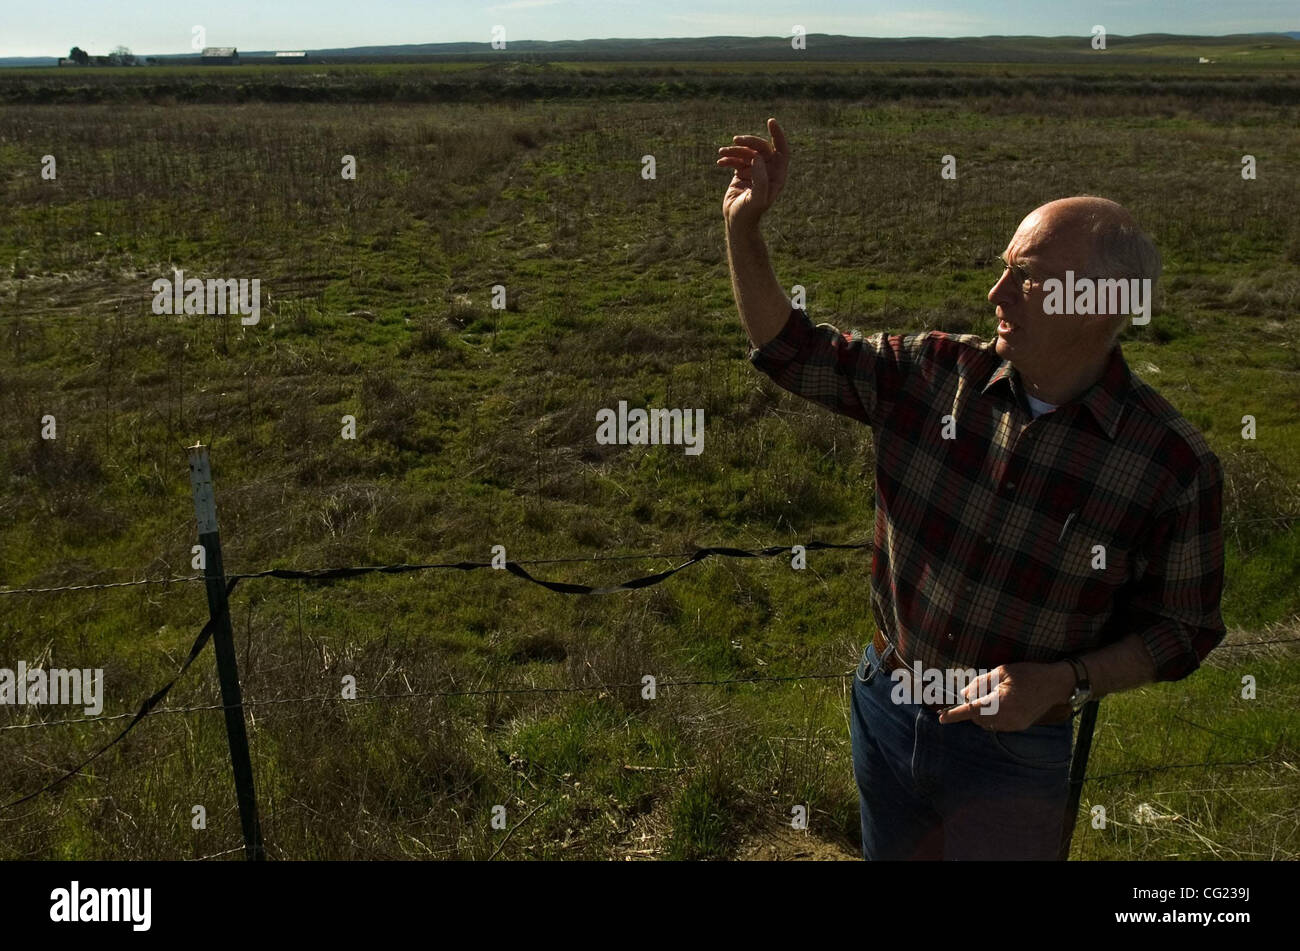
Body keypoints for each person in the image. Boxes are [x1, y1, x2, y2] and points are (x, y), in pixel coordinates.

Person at [717, 118, 1226, 860]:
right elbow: (790, 351)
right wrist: (743, 229)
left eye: (1029, 278)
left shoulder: (1168, 465)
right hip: (888, 705)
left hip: (1012, 756)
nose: (996, 293)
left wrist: (1065, 680)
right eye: (1005, 269)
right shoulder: (931, 374)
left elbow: (1185, 629)